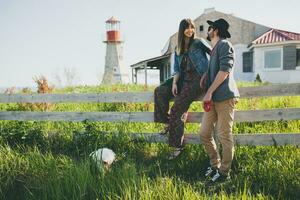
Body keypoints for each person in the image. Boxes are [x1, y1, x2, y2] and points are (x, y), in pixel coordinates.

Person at [154, 18, 211, 160]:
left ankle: (177, 147)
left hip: (198, 79)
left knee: (176, 109)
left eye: (192, 27)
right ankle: (169, 123)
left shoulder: (198, 42)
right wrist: (174, 83)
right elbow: (177, 69)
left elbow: (213, 53)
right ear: (182, 30)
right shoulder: (178, 48)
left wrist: (209, 74)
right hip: (183, 79)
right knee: (159, 91)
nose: (190, 30)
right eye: (187, 27)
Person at [199, 18, 240, 184]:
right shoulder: (215, 49)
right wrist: (206, 75)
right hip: (214, 99)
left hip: (225, 98)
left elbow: (225, 71)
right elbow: (216, 70)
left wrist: (208, 92)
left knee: (224, 136)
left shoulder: (225, 45)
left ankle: (224, 173)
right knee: (204, 133)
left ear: (214, 30)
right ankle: (215, 165)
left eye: (210, 28)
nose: (208, 31)